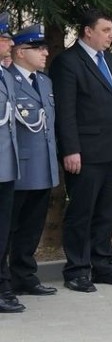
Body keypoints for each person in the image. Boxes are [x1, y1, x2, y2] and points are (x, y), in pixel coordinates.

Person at [50, 9, 112, 292]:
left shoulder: (108, 60)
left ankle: (103, 265)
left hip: (111, 151)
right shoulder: (68, 62)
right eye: (106, 30)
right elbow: (65, 111)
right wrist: (71, 149)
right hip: (84, 153)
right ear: (88, 31)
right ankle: (76, 270)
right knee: (82, 213)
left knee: (107, 212)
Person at [2, 26, 58, 304]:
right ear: (21, 52)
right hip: (19, 168)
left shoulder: (45, 82)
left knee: (32, 225)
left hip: (42, 165)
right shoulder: (9, 79)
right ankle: (7, 280)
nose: (46, 53)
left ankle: (25, 275)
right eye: (39, 48)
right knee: (10, 226)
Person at [0, 15, 23, 313]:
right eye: (5, 39)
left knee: (3, 230)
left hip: (5, 166)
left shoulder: (5, 75)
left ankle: (3, 284)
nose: (11, 43)